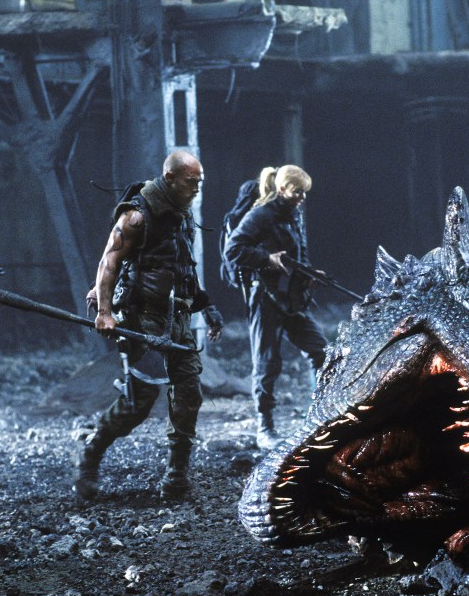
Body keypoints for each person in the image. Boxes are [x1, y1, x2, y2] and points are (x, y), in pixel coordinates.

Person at [76, 150, 223, 501]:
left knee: (188, 394)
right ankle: (90, 455)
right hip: (144, 318)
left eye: (200, 183)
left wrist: (206, 306)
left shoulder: (181, 212)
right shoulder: (137, 215)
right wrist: (105, 312)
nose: (196, 189)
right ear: (170, 179)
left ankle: (176, 477)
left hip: (178, 318)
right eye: (191, 182)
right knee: (138, 402)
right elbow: (109, 261)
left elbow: (181, 267)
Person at [223, 165, 327, 451]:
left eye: (304, 193)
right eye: (297, 192)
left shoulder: (294, 215)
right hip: (264, 298)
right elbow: (233, 250)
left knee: (320, 350)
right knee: (267, 363)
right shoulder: (260, 215)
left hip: (292, 297)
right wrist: (266, 259)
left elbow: (300, 253)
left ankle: (321, 416)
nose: (302, 198)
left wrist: (308, 273)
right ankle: (264, 427)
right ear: (281, 189)